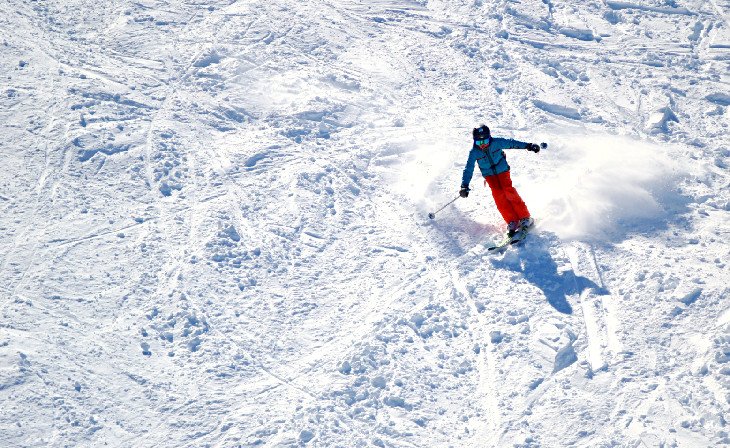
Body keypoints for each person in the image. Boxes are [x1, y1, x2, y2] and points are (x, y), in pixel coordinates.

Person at [459, 124, 543, 236]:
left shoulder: (497, 142)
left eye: (485, 141)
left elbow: (512, 143)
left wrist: (528, 146)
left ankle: (525, 218)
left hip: (502, 171)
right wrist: (464, 185)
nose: (483, 145)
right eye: (479, 143)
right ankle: (512, 221)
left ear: (490, 138)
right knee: (498, 196)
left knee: (508, 190)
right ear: (474, 142)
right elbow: (468, 168)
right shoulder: (474, 152)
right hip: (490, 176)